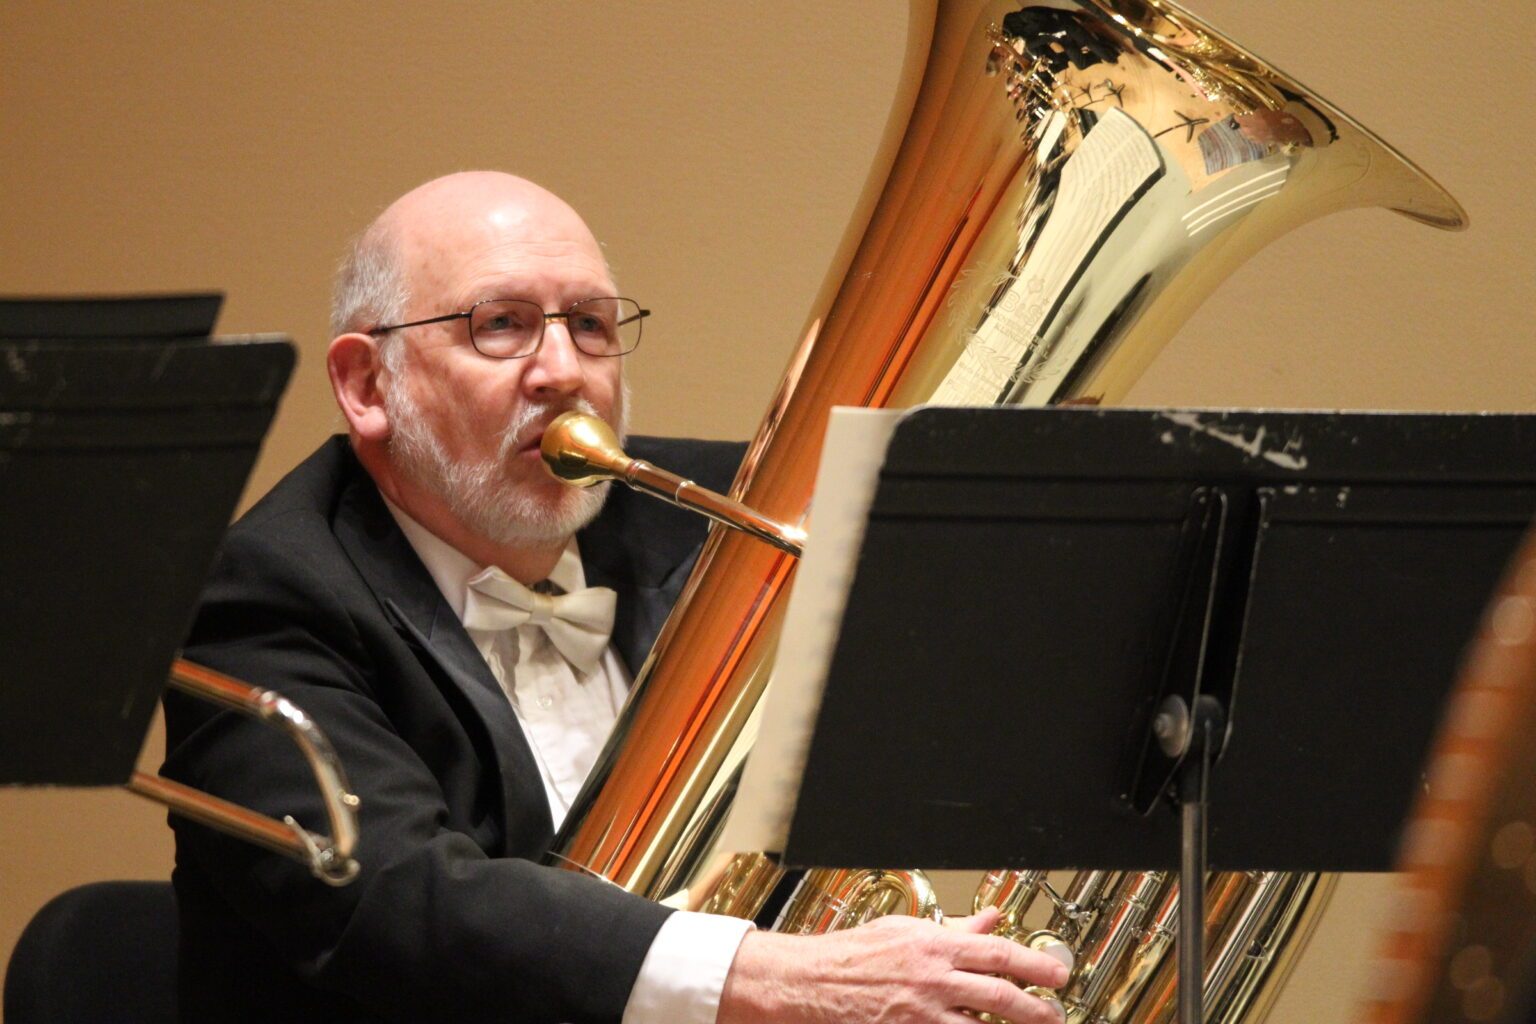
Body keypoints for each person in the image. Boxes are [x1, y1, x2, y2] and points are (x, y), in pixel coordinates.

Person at [162, 171, 1069, 1024]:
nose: (564, 370)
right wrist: (775, 978)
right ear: (367, 385)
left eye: (591, 326)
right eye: (501, 324)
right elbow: (401, 903)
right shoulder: (260, 597)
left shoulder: (732, 518)